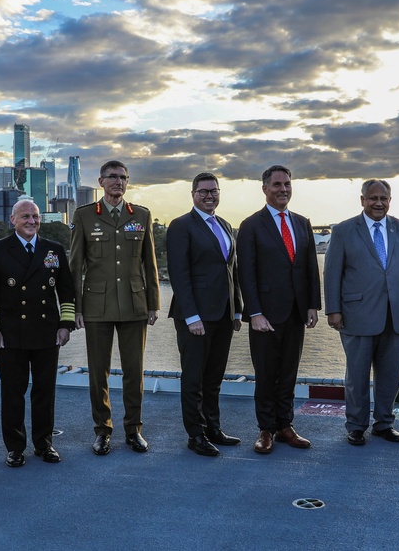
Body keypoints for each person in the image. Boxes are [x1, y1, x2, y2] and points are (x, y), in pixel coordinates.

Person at [69, 161, 160, 456]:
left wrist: (153, 303)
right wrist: (75, 308)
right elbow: (75, 266)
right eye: (112, 177)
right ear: (101, 181)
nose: (118, 182)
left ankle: (133, 429)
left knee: (135, 371)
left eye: (123, 177)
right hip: (97, 306)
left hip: (135, 305)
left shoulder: (141, 215)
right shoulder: (84, 216)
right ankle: (102, 430)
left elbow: (150, 264)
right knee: (99, 372)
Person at [324, 179, 399, 446]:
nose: (378, 203)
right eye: (373, 198)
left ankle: (384, 423)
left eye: (384, 199)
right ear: (362, 200)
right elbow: (332, 272)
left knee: (390, 374)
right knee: (356, 375)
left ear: (390, 200)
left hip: (396, 313)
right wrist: (333, 309)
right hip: (357, 314)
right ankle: (356, 425)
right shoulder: (344, 230)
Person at [0, 200, 76, 468]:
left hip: (47, 334)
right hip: (10, 335)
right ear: (13, 220)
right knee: (13, 393)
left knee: (45, 392)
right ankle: (15, 447)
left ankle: (44, 443)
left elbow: (66, 290)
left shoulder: (53, 249)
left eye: (35, 216)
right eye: (25, 216)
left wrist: (65, 324)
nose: (31, 221)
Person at [237, 165, 321, 454]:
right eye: (276, 185)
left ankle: (286, 425)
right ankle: (266, 429)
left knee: (288, 372)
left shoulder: (301, 222)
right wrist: (255, 312)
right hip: (266, 314)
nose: (283, 189)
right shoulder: (251, 225)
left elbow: (309, 266)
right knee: (266, 373)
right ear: (265, 189)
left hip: (297, 311)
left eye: (287, 184)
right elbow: (245, 273)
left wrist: (312, 304)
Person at [167, 172, 243, 457]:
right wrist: (191, 316)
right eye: (203, 191)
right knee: (194, 378)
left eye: (214, 191)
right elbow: (179, 275)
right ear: (193, 194)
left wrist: (237, 310)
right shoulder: (181, 226)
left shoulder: (224, 225)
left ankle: (213, 428)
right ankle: (195, 435)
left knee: (214, 377)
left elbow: (231, 270)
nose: (209, 196)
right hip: (195, 317)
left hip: (223, 314)